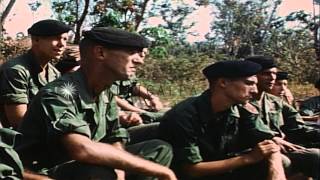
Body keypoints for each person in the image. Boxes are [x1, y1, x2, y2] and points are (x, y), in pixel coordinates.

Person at [16, 27, 176, 180]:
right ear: (100, 53)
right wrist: (163, 172)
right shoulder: (60, 93)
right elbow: (82, 150)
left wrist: (119, 172)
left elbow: (113, 137)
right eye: (131, 53)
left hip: (81, 164)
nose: (139, 61)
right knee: (99, 171)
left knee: (159, 148)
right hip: (42, 172)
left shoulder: (105, 90)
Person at [159, 60, 286, 180]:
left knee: (282, 162)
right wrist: (248, 158)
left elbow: (267, 142)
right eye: (249, 83)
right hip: (191, 176)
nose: (255, 90)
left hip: (224, 168)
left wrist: (275, 167)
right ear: (223, 83)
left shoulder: (241, 108)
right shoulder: (184, 116)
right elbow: (191, 169)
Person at [244, 55, 319, 179]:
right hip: (253, 151)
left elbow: (297, 126)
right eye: (266, 74)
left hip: (279, 147)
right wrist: (273, 139)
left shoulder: (275, 102)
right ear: (252, 76)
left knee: (315, 155)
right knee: (285, 161)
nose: (272, 77)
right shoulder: (240, 101)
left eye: (274, 73)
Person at [0, 19, 71, 129]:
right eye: (56, 38)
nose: (62, 44)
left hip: (44, 134)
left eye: (65, 39)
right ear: (36, 40)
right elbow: (18, 121)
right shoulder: (16, 70)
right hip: (15, 141)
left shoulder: (54, 73)